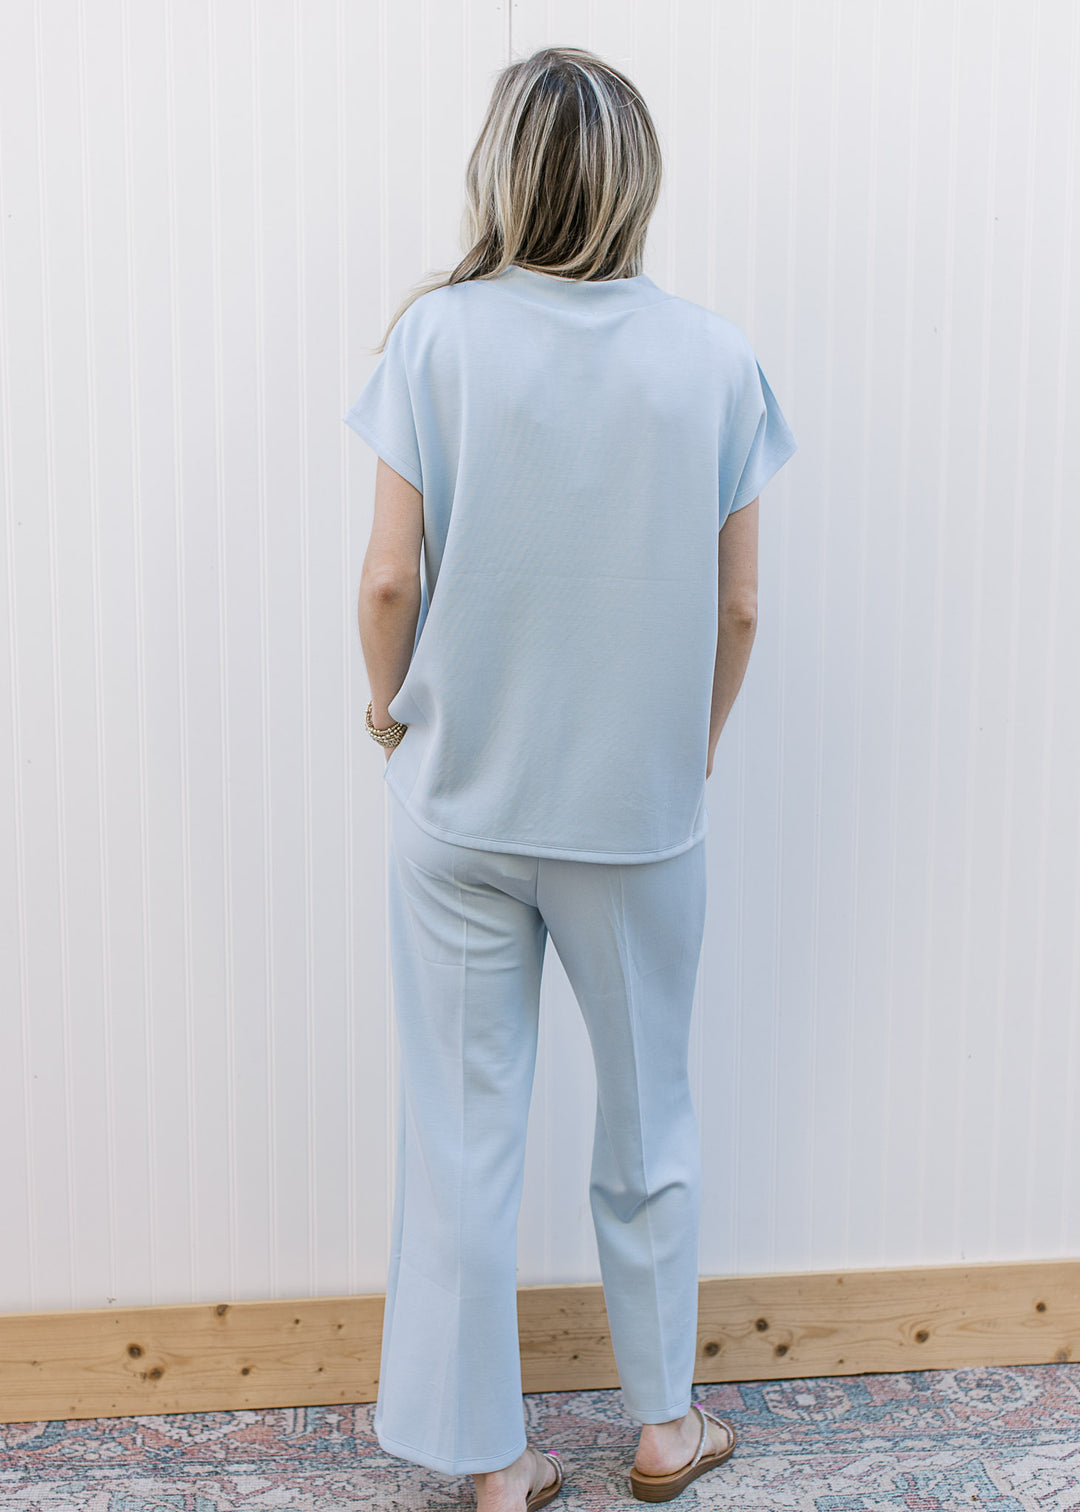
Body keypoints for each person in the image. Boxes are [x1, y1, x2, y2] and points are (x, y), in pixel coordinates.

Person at [344, 44, 797, 1512]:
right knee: (650, 1114)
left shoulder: (435, 340)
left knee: (467, 1133)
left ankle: (494, 1461)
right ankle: (663, 1430)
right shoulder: (717, 359)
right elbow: (737, 613)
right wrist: (696, 738)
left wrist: (385, 711)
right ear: (635, 177)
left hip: (462, 805)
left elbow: (388, 584)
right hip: (636, 817)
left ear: (505, 172)